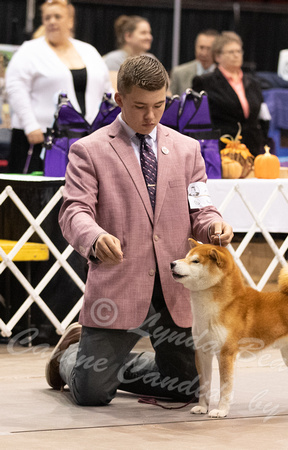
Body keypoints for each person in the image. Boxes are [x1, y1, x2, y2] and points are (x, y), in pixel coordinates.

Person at [45, 55, 233, 406]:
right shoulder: (88, 150)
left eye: (159, 105)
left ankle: (109, 367)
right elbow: (74, 210)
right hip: (120, 279)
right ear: (119, 100)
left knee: (190, 388)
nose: (150, 116)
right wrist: (95, 237)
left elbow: (201, 208)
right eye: (140, 106)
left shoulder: (187, 149)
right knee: (91, 393)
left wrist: (214, 225)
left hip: (175, 285)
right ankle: (68, 357)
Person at [5, 0, 112, 174]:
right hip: (39, 136)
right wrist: (30, 125)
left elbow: (106, 89)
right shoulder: (30, 50)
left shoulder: (89, 51)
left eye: (57, 16)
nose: (52, 21)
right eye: (47, 18)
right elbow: (16, 88)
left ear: (70, 21)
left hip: (85, 135)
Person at [192, 31, 266, 157]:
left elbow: (262, 117)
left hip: (252, 148)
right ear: (218, 57)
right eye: (231, 52)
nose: (236, 55)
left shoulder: (253, 83)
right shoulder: (205, 82)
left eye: (238, 51)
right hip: (221, 149)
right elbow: (197, 120)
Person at [103, 15, 154, 88]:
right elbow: (114, 92)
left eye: (149, 33)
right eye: (143, 33)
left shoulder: (151, 59)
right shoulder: (113, 60)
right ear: (128, 36)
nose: (149, 37)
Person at [169, 29, 219, 96]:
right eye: (201, 47)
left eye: (208, 48)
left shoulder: (223, 75)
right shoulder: (179, 73)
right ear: (195, 47)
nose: (204, 53)